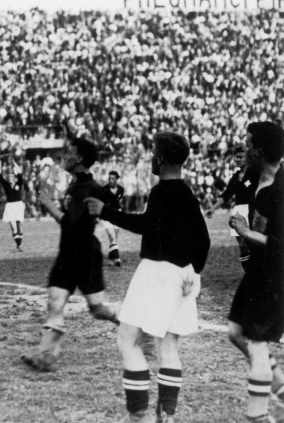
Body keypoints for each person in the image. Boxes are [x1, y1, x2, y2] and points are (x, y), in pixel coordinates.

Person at [86, 131, 211, 423]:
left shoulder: (161, 192)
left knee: (128, 341)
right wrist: (194, 271)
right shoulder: (186, 193)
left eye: (153, 153)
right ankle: (166, 414)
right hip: (183, 276)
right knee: (168, 347)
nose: (151, 158)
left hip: (157, 273)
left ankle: (138, 416)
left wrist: (106, 211)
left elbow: (144, 225)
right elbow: (203, 241)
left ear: (161, 158)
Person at [21, 136, 118, 372]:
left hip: (85, 254)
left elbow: (71, 223)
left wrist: (49, 205)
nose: (65, 155)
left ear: (80, 158)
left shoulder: (85, 187)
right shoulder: (77, 184)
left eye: (69, 151)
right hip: (69, 251)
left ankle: (135, 325)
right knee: (55, 302)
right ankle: (47, 356)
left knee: (98, 310)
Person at [225, 122, 284, 423]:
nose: (243, 147)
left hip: (275, 276)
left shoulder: (280, 188)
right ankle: (281, 389)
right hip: (257, 273)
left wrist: (245, 232)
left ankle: (258, 416)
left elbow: (278, 244)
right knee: (236, 333)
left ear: (259, 150)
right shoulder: (252, 176)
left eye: (248, 142)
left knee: (258, 346)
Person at [206, 145, 257, 272]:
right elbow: (227, 194)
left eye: (241, 157)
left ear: (247, 158)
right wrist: (213, 208)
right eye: (236, 157)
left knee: (253, 244)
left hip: (252, 211)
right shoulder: (235, 177)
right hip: (239, 212)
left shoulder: (255, 173)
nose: (238, 159)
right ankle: (249, 273)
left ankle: (256, 272)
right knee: (242, 246)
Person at [0, 157, 26, 251]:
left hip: (18, 205)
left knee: (19, 226)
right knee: (13, 227)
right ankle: (19, 245)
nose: (10, 177)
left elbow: (20, 173)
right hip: (10, 206)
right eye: (9, 176)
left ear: (14, 177)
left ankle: (19, 245)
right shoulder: (6, 185)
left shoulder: (18, 183)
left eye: (12, 176)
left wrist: (14, 163)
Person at [100, 170, 126, 267]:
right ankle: (117, 258)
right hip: (107, 215)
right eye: (109, 178)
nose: (110, 180)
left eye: (113, 179)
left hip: (117, 214)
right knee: (112, 237)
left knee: (114, 238)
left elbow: (121, 202)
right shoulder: (104, 189)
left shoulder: (121, 189)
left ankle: (111, 258)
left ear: (117, 179)